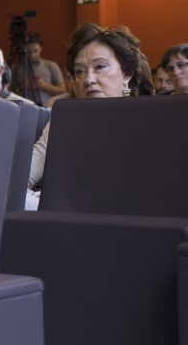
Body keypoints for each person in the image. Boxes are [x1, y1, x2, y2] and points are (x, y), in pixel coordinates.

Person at [27, 23, 153, 208]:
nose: (88, 79)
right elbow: (22, 176)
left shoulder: (150, 121)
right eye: (80, 71)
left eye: (100, 67)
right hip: (68, 216)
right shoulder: (64, 122)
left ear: (127, 74)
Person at [12, 32, 65, 106]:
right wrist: (25, 87)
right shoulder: (16, 68)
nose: (32, 55)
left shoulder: (51, 66)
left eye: (35, 51)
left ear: (41, 48)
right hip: (23, 109)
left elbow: (63, 91)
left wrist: (44, 86)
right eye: (29, 52)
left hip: (47, 109)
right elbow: (9, 94)